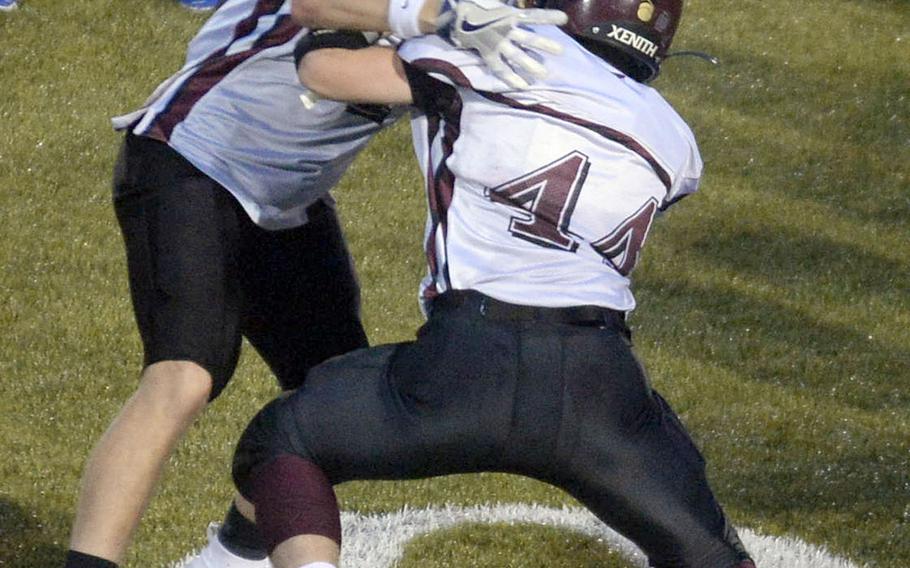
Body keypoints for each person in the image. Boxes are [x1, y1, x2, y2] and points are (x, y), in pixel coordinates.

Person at [230, 1, 758, 567]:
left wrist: (392, 24)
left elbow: (324, 72)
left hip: (468, 360)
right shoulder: (676, 142)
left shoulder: (495, 56)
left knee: (283, 440)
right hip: (599, 383)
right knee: (712, 554)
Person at [61, 0, 567, 567]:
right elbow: (313, 12)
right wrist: (441, 18)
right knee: (185, 376)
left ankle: (231, 555)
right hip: (191, 156)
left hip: (286, 201)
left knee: (333, 398)